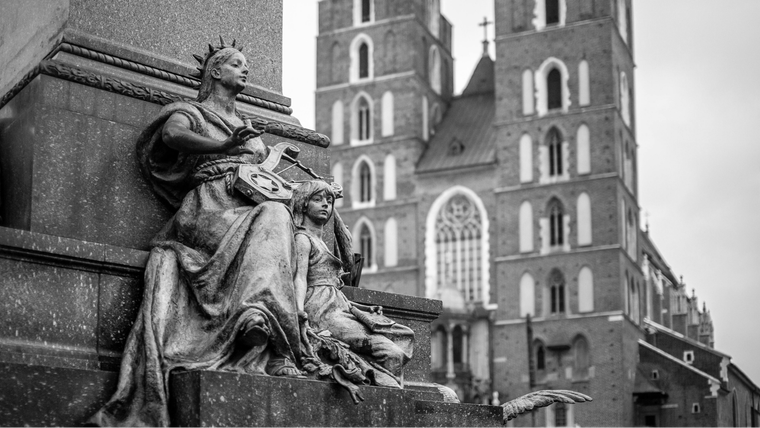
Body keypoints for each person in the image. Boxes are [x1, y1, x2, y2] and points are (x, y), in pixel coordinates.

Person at [87, 40, 307, 428]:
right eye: (237, 64)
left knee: (276, 215)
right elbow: (173, 137)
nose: (245, 70)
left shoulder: (249, 130)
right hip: (207, 206)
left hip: (249, 204)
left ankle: (259, 319)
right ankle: (268, 333)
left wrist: (276, 157)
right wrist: (221, 145)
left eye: (247, 65)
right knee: (270, 219)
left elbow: (256, 172)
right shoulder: (190, 111)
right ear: (215, 72)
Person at [291, 180, 414, 388]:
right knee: (389, 351)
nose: (325, 205)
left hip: (340, 305)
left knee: (402, 336)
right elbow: (299, 278)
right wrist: (299, 313)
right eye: (318, 199)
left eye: (329, 202)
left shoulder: (320, 240)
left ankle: (387, 394)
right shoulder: (303, 239)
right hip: (321, 308)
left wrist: (364, 309)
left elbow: (347, 261)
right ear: (303, 204)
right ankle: (386, 391)